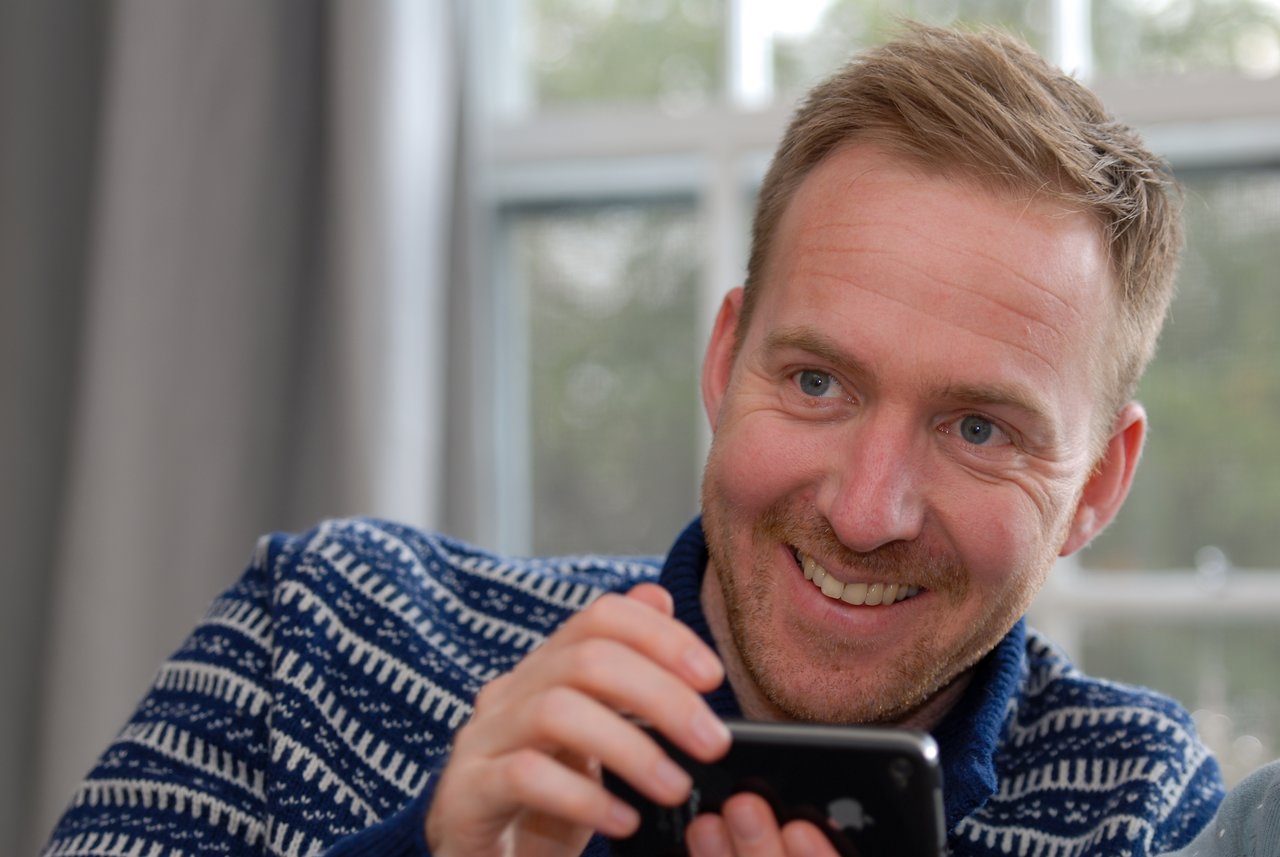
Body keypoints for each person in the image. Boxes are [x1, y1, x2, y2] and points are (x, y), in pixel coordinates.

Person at [42, 22, 1225, 857]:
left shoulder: (1141, 806)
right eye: (815, 381)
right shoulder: (319, 627)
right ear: (723, 364)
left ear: (1095, 486)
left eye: (977, 427)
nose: (867, 511)